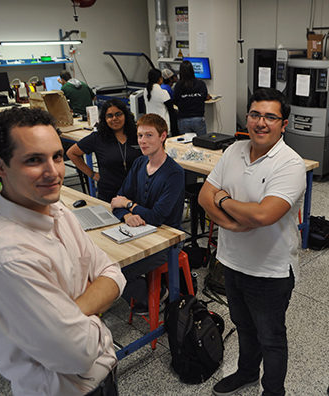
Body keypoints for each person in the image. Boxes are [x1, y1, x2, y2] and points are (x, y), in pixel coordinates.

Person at [0, 107, 126, 396]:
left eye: (57, 156)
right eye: (34, 160)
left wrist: (73, 314)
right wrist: (94, 303)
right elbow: (78, 353)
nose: (53, 172)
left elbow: (113, 273)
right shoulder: (9, 258)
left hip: (105, 378)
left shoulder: (58, 212)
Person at [198, 88, 306, 396]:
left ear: (283, 124)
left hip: (270, 271)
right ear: (247, 118)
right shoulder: (234, 150)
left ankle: (273, 391)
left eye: (270, 117)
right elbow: (206, 195)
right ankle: (246, 373)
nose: (261, 123)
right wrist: (231, 220)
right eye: (255, 115)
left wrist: (224, 200)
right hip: (232, 262)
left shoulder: (290, 164)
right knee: (244, 327)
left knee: (271, 337)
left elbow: (262, 215)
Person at [111, 113, 185, 313]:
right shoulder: (139, 164)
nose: (143, 141)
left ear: (163, 136)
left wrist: (128, 204)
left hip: (167, 240)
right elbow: (117, 201)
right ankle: (142, 295)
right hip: (139, 231)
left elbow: (157, 217)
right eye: (140, 135)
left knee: (118, 269)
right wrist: (127, 214)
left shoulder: (174, 173)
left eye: (149, 135)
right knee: (103, 260)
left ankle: (157, 295)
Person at [67, 99, 141, 202]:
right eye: (110, 116)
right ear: (105, 119)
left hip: (137, 193)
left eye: (118, 114)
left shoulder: (137, 135)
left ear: (125, 115)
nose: (114, 118)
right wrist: (92, 174)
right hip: (109, 195)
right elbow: (72, 153)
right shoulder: (98, 138)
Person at [173, 60, 209, 135]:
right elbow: (204, 97)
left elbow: (175, 100)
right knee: (202, 143)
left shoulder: (178, 85)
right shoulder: (201, 84)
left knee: (186, 145)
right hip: (198, 118)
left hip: (183, 119)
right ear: (192, 70)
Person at [144, 68, 177, 135]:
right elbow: (171, 111)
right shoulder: (163, 92)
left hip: (150, 124)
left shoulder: (146, 91)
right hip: (162, 125)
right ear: (160, 79)